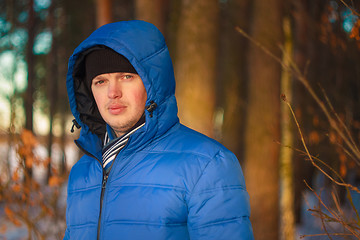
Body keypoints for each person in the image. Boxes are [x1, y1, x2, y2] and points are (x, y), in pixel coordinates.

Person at [64, 20, 253, 240]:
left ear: (153, 83)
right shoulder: (83, 172)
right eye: (100, 81)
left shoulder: (208, 164)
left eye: (127, 77)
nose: (112, 92)